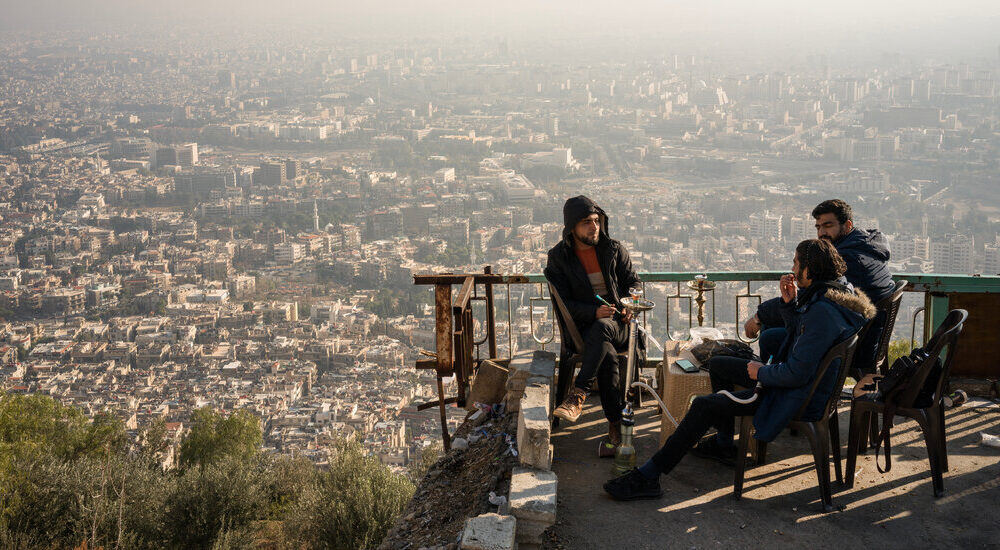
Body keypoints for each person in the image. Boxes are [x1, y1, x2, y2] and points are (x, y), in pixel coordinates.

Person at [604, 239, 874, 501]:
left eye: (796, 263)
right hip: (800, 386)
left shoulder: (822, 313)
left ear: (810, 270)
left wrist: (761, 374)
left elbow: (797, 373)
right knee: (719, 364)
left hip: (791, 396)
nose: (793, 269)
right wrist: (789, 304)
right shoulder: (835, 296)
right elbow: (800, 339)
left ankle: (649, 476)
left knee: (704, 406)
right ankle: (724, 444)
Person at [745, 199, 893, 374]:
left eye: (828, 226)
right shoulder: (865, 246)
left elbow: (808, 299)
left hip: (853, 345)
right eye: (818, 227)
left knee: (770, 336)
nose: (822, 233)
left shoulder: (847, 259)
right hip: (864, 334)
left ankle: (777, 387)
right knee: (777, 324)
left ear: (847, 225)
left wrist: (758, 316)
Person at [545, 195, 643, 456]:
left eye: (597, 221)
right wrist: (593, 310)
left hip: (620, 324)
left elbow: (634, 283)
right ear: (572, 227)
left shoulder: (613, 250)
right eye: (587, 222)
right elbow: (563, 302)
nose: (594, 227)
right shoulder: (559, 258)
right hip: (586, 328)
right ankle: (615, 427)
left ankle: (578, 394)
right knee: (606, 352)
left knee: (604, 331)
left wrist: (626, 306)